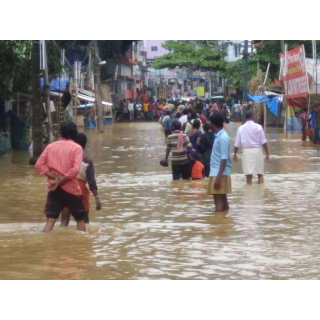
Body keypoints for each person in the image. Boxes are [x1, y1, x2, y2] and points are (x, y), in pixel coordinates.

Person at [35, 122, 86, 232]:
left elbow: (39, 165)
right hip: (72, 189)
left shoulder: (50, 146)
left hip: (54, 188)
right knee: (80, 219)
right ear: (74, 133)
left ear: (61, 133)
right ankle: (83, 247)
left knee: (50, 220)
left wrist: (55, 178)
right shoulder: (77, 148)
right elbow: (75, 169)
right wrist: (63, 178)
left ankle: (45, 244)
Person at [61, 133, 101, 226]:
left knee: (64, 222)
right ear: (84, 146)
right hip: (80, 192)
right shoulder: (87, 162)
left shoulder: (66, 159)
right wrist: (96, 198)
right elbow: (91, 182)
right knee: (84, 221)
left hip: (66, 189)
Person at [233, 110, 270, 184]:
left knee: (248, 176)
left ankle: (249, 193)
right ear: (252, 117)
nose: (256, 117)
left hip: (246, 152)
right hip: (257, 151)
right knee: (260, 174)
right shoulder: (258, 127)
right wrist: (267, 154)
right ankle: (260, 193)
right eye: (255, 115)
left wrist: (235, 154)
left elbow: (237, 144)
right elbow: (263, 142)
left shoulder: (241, 128)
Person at [207, 114, 232, 212]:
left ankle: (218, 224)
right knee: (223, 201)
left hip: (219, 173)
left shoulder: (223, 138)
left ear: (213, 124)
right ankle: (223, 222)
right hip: (219, 172)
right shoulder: (220, 136)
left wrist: (218, 177)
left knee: (218, 202)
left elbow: (224, 158)